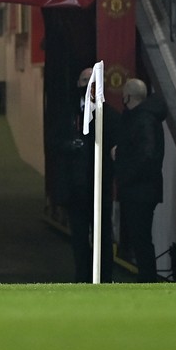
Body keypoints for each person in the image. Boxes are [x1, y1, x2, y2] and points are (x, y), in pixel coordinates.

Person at [56, 67, 118, 283]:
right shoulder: (68, 114)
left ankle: (105, 278)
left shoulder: (109, 116)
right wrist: (69, 146)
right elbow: (56, 142)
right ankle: (82, 278)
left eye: (91, 81)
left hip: (99, 188)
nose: (86, 85)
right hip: (75, 188)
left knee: (103, 236)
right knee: (79, 238)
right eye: (84, 80)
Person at [112, 78, 167, 283]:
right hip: (142, 189)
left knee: (141, 238)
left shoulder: (142, 120)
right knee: (141, 237)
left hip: (139, 190)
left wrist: (123, 161)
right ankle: (146, 278)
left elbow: (146, 155)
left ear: (127, 96)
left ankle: (147, 280)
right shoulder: (145, 118)